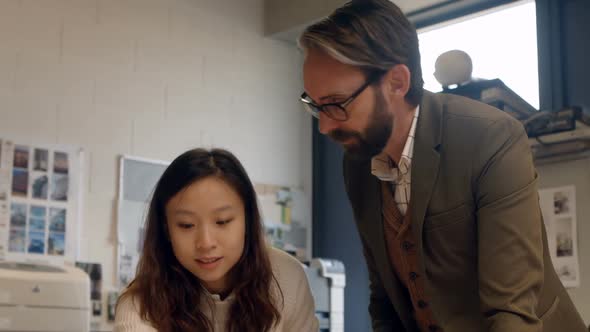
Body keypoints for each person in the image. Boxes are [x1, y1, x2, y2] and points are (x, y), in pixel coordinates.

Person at [299, 0, 586, 331]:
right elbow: (386, 301)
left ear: (396, 82)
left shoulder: (490, 136)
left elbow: (512, 312)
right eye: (315, 105)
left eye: (336, 104)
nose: (325, 127)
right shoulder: (358, 162)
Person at [114, 148, 318, 332]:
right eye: (186, 225)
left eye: (222, 221)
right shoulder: (139, 304)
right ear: (166, 229)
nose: (206, 242)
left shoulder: (287, 278)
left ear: (248, 220)